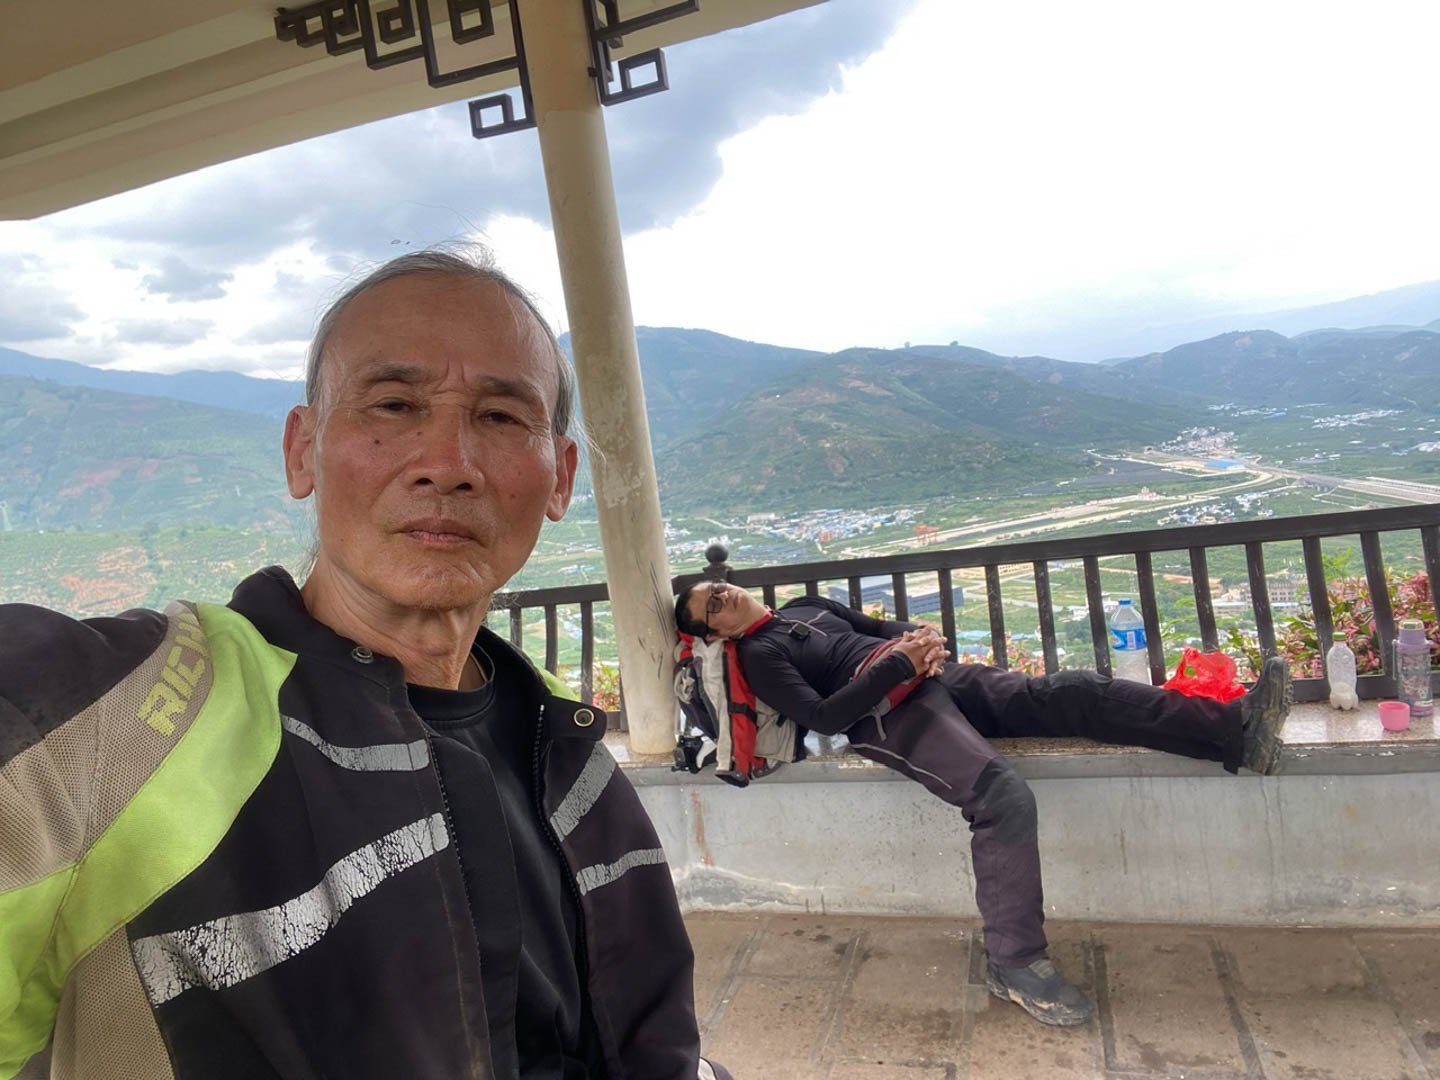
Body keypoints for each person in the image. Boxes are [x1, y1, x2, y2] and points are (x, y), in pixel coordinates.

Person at [1, 250, 729, 1080]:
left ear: (559, 476)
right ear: (302, 452)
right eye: (393, 404)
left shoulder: (564, 748)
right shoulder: (123, 721)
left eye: (498, 416)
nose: (447, 463)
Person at [675, 582, 1290, 1028]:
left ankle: (1236, 732)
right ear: (715, 632)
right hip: (893, 716)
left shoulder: (811, 605)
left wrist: (922, 642)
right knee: (1002, 797)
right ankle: (1014, 962)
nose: (721, 596)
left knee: (1075, 690)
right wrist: (896, 667)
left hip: (935, 680)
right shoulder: (759, 655)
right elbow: (825, 715)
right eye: (709, 607)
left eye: (717, 588)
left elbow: (886, 633)